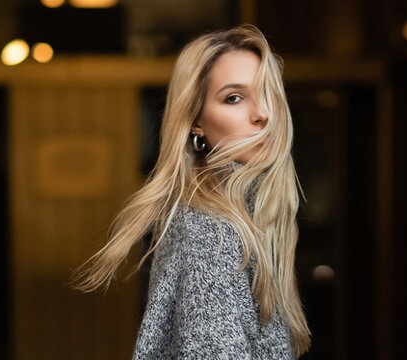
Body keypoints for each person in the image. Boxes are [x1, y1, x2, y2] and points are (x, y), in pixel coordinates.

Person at [69, 24, 311, 359]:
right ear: (196, 121)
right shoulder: (210, 232)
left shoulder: (246, 215)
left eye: (268, 93)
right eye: (234, 98)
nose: (263, 114)